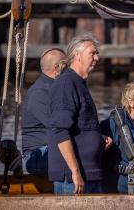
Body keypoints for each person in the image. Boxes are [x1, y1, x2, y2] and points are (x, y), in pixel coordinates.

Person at [47, 33, 112, 194]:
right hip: (73, 179)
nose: (97, 58)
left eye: (97, 53)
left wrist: (98, 137)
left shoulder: (80, 84)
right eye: (93, 53)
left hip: (91, 173)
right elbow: (60, 131)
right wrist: (75, 172)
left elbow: (81, 125)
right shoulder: (66, 84)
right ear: (77, 55)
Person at [21, 48, 65, 176]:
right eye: (66, 64)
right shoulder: (39, 92)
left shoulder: (57, 87)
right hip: (37, 155)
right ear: (57, 68)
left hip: (52, 149)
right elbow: (59, 126)